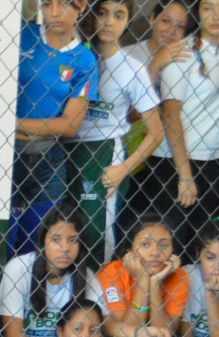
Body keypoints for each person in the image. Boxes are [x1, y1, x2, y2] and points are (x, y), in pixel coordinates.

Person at [66, 0, 161, 267]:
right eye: (102, 13)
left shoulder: (133, 69)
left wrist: (123, 169)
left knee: (96, 231)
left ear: (127, 21)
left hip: (104, 152)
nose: (109, 22)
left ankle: (96, 289)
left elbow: (156, 133)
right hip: (63, 148)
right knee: (62, 227)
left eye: (119, 15)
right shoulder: (74, 58)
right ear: (90, 16)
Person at [152, 0, 219, 255]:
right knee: (172, 246)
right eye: (208, 8)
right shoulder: (182, 53)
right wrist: (185, 176)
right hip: (174, 164)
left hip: (212, 161)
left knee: (199, 248)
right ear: (197, 13)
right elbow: (170, 115)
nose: (216, 16)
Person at [0, 203, 96, 337]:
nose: (65, 248)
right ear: (43, 240)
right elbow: (12, 332)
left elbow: (101, 324)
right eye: (56, 240)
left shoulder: (85, 276)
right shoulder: (19, 269)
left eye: (72, 240)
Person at [14, 0, 97, 219]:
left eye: (63, 4)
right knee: (5, 234)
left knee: (41, 234)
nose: (54, 12)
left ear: (81, 6)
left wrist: (13, 124)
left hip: (48, 162)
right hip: (6, 152)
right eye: (47, 4)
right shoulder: (21, 35)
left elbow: (70, 125)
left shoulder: (85, 60)